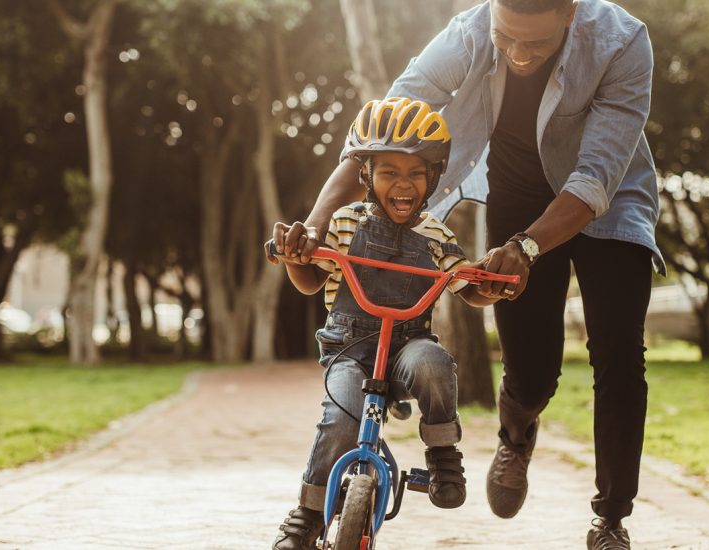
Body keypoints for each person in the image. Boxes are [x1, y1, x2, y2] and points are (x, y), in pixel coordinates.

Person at [278, 1, 662, 548]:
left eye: (536, 44)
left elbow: (595, 177)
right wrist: (315, 225)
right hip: (517, 194)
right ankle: (517, 430)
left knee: (620, 356)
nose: (519, 56)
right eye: (508, 39)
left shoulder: (622, 42)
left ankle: (611, 520)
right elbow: (382, 128)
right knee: (532, 370)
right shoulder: (470, 32)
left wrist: (528, 248)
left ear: (571, 14)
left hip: (611, 196)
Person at [268, 97, 501, 550]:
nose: (403, 183)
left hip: (406, 351)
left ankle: (442, 454)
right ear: (366, 176)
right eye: (389, 172)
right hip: (348, 350)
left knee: (434, 361)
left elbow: (465, 285)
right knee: (340, 420)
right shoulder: (343, 222)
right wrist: (296, 258)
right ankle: (309, 513)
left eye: (416, 173)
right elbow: (311, 281)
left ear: (433, 177)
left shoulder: (437, 234)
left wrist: (486, 286)